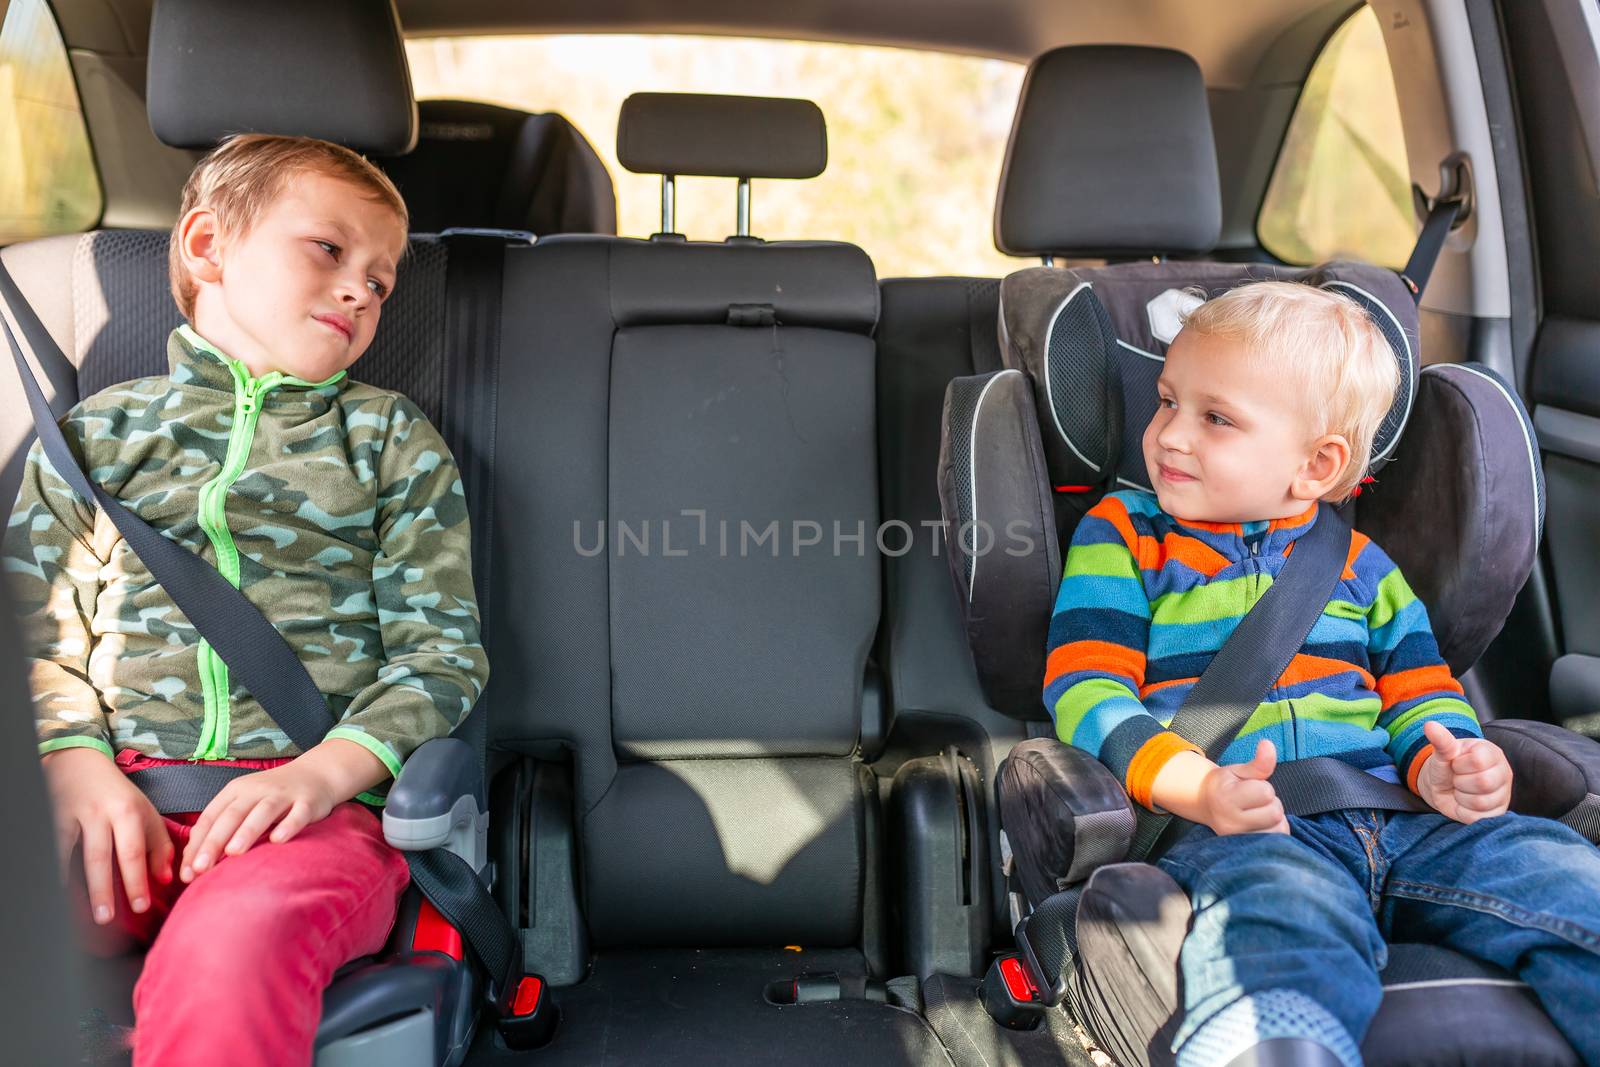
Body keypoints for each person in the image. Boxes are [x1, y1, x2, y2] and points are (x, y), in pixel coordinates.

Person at [4, 134, 489, 1067]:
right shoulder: (94, 438)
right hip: (116, 794)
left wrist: (324, 773)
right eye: (328, 250)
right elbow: (36, 629)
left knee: (229, 954)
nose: (360, 289)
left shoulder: (387, 439)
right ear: (206, 245)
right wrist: (70, 759)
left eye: (382, 282)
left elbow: (442, 652)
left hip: (308, 816)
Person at [1045, 281, 1600, 1066]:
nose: (1169, 434)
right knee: (1282, 912)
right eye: (1167, 401)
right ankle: (1277, 1043)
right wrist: (1192, 784)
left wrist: (1448, 760)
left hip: (1408, 819)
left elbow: (1421, 688)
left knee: (1556, 868)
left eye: (1215, 418)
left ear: (1317, 465)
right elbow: (1087, 689)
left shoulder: (1362, 567)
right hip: (1244, 824)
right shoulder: (1125, 536)